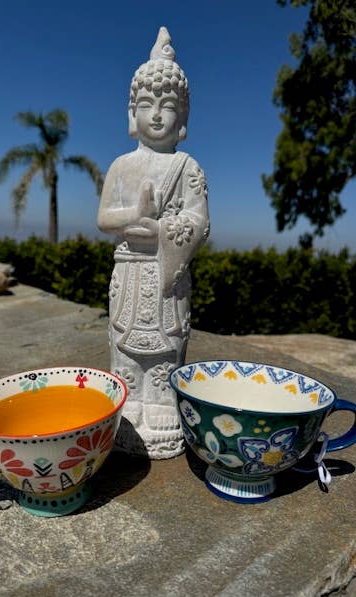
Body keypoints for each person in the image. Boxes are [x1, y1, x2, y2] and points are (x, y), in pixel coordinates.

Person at [97, 27, 209, 458]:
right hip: (128, 271)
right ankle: (126, 408)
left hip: (167, 277)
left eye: (169, 106)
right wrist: (136, 216)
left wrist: (162, 229)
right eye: (147, 105)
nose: (157, 115)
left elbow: (199, 222)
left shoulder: (188, 167)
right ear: (132, 113)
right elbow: (105, 219)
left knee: (166, 346)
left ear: (183, 118)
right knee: (124, 346)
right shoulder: (121, 166)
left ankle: (162, 404)